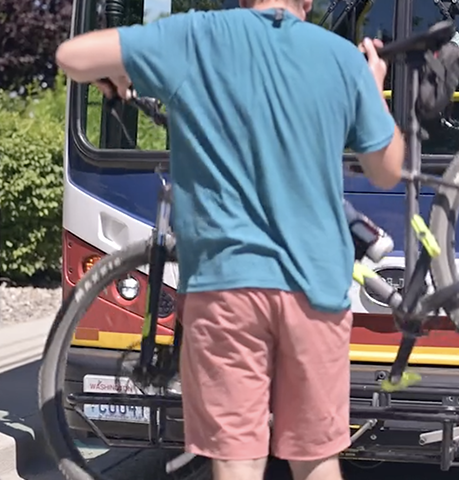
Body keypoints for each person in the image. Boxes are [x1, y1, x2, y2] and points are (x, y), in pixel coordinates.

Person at [55, 0, 405, 479]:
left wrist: (111, 75)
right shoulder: (340, 57)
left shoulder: (192, 37)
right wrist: (375, 89)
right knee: (316, 458)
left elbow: (72, 56)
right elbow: (385, 171)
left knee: (237, 457)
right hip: (315, 288)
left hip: (224, 286)